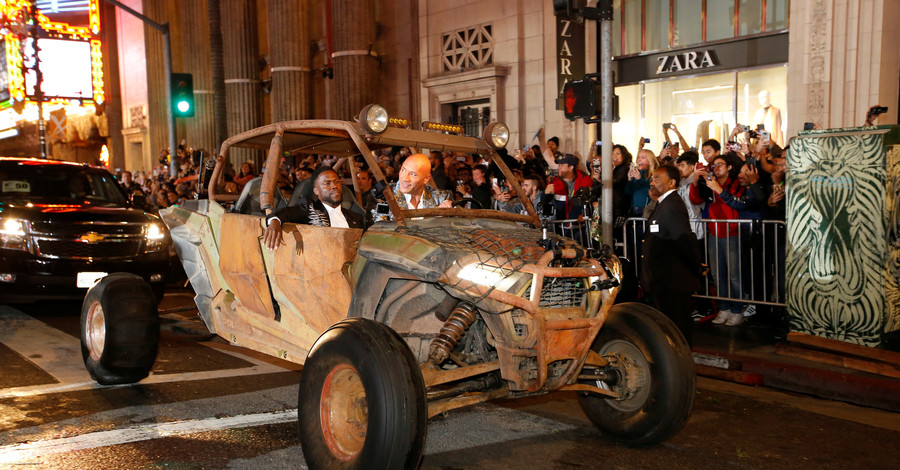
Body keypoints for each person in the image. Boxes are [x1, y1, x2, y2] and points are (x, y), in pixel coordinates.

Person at [640, 165, 703, 346]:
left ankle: (681, 362)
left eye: (657, 179)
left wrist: (696, 266)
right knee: (669, 325)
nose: (652, 182)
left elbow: (684, 240)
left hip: (673, 279)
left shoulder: (672, 205)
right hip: (663, 279)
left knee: (677, 326)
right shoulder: (664, 203)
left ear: (672, 182)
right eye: (652, 179)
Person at [263, 167, 365, 250]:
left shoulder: (357, 217)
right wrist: (274, 221)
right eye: (327, 183)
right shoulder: (309, 207)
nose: (334, 186)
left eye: (336, 181)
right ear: (316, 191)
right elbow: (285, 213)